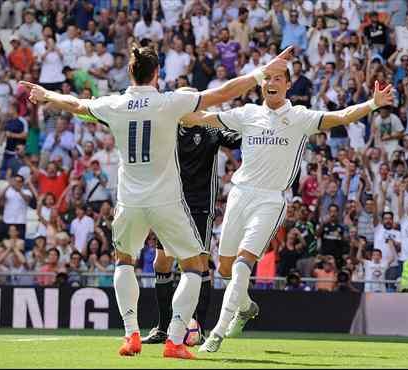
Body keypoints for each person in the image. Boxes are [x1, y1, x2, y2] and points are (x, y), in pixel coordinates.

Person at [19, 44, 289, 359]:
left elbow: (77, 103)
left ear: (130, 73)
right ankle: (174, 340)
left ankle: (131, 334)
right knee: (193, 266)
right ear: (157, 74)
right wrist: (261, 72)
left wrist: (48, 95)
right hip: (166, 202)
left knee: (124, 261)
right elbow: (223, 92)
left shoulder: (115, 104)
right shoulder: (169, 103)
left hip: (129, 201)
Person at [181, 66, 394, 353]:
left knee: (244, 264)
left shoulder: (299, 117)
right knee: (226, 268)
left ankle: (217, 333)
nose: (271, 82)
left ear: (288, 86)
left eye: (278, 78)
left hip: (270, 200)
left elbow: (341, 116)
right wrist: (170, 110)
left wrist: (372, 104)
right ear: (261, 84)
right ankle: (244, 307)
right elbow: (203, 118)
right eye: (268, 78)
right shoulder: (247, 113)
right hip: (239, 194)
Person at [142, 88, 241, 345]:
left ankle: (199, 328)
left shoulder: (210, 129)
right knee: (161, 264)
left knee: (199, 264)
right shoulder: (168, 129)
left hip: (199, 206)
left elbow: (237, 138)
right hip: (170, 205)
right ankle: (163, 328)